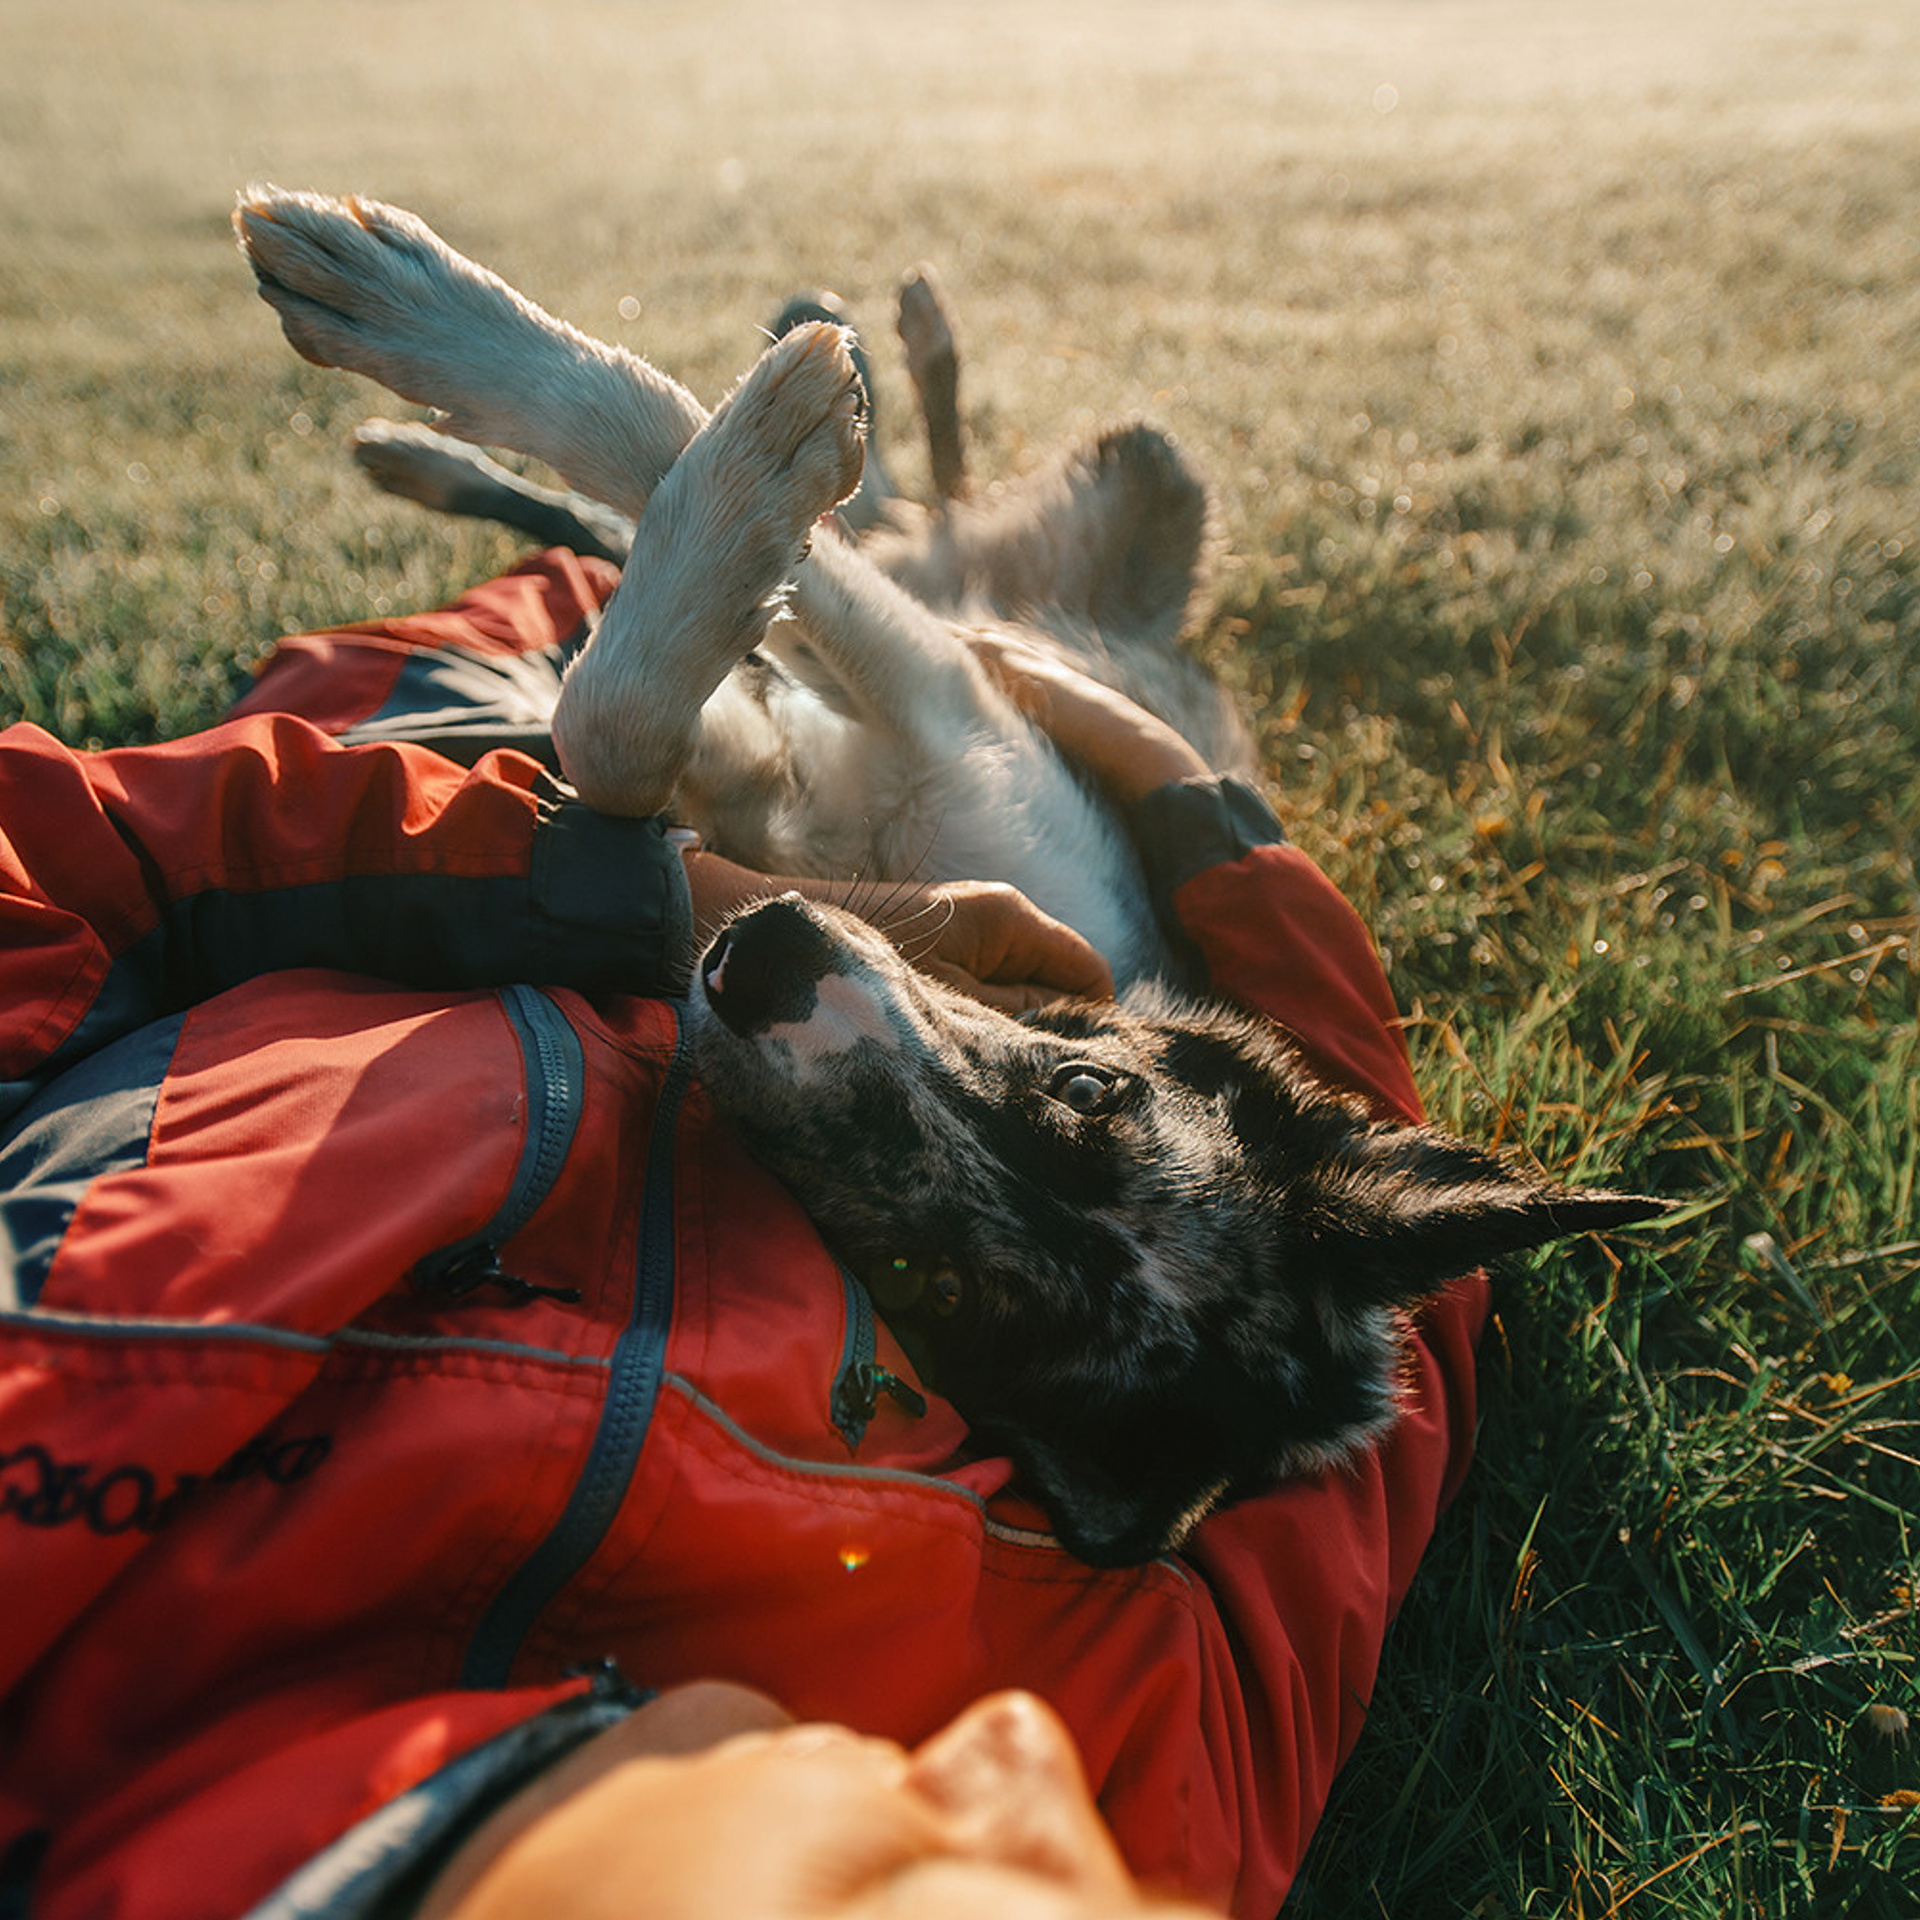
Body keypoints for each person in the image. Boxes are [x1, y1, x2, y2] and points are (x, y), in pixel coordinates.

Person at [0, 548, 1487, 1920]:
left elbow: (74, 849)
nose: (1004, 1773)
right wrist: (1206, 822)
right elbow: (1385, 1347)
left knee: (590, 586)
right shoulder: (1099, 1741)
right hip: (638, 859)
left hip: (437, 808)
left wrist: (617, 888)